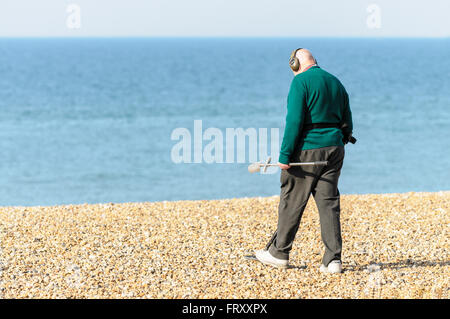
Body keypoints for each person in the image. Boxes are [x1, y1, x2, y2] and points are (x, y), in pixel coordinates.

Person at [254, 48, 354, 273]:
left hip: (308, 150)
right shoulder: (336, 82)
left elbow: (294, 121)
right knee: (329, 203)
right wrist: (341, 139)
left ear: (294, 64)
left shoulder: (300, 83)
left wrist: (285, 155)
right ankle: (333, 260)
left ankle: (279, 252)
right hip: (335, 149)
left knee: (292, 198)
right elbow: (347, 120)